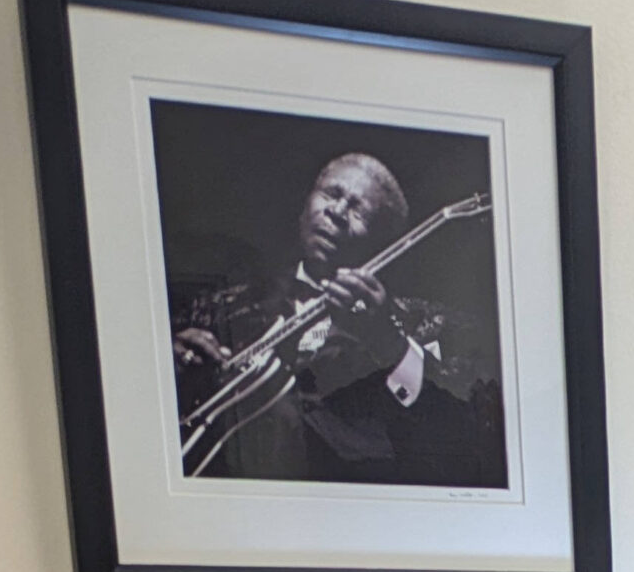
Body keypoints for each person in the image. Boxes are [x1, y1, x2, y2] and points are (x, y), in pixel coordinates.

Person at [170, 151, 503, 487]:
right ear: (304, 207)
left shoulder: (424, 324)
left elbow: (458, 435)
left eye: (359, 210)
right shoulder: (229, 298)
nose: (338, 212)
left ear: (385, 243)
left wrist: (387, 341)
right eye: (331, 194)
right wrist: (173, 362)